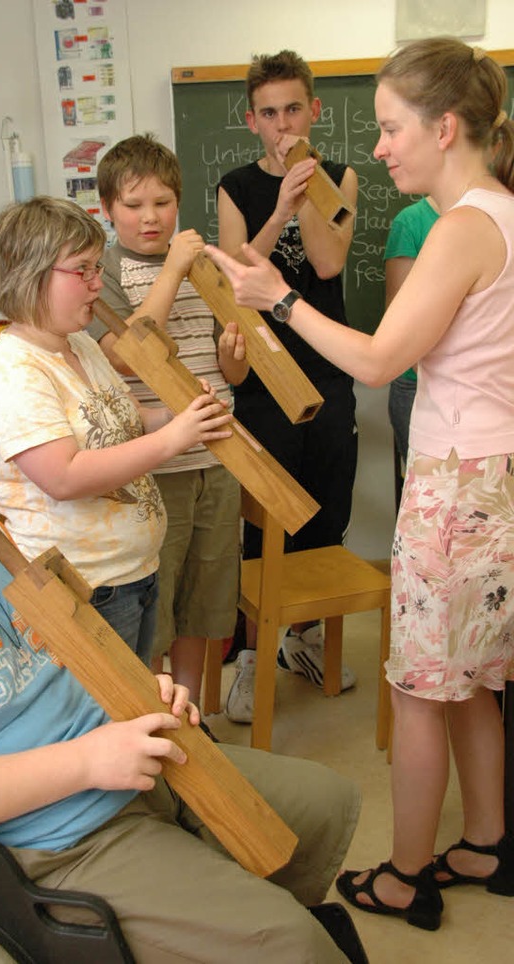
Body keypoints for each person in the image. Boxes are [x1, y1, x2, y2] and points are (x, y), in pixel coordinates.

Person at [0, 373, 362, 964]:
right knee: (290, 945)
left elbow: (65, 653)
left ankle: (226, 916)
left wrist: (137, 689)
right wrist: (89, 760)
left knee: (326, 803)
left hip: (125, 756)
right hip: (62, 834)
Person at [205, 37, 514, 931]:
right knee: (474, 680)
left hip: (458, 484)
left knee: (420, 688)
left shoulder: (464, 227)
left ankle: (408, 873)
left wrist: (281, 301)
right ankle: (489, 839)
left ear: (445, 126)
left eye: (390, 128)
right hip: (489, 477)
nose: (377, 149)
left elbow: (379, 360)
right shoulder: (503, 211)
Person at [0, 196, 232, 668]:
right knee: (106, 721)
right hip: (86, 588)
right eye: (82, 270)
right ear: (31, 274)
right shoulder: (14, 372)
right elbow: (64, 477)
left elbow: (127, 422)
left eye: (96, 267)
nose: (96, 282)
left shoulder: (79, 346)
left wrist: (179, 417)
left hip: (132, 574)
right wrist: (173, 440)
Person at [216, 49, 358, 720]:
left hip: (330, 372)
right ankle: (251, 654)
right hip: (265, 377)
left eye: (293, 109)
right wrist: (280, 206)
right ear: (252, 120)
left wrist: (306, 191)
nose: (282, 125)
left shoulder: (341, 177)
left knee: (326, 513)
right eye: (269, 113)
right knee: (265, 519)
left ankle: (302, 643)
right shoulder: (235, 186)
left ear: (314, 111)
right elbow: (238, 282)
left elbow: (327, 263)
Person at [88, 134, 249, 705]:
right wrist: (175, 269)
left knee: (203, 605)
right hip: (153, 465)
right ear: (107, 210)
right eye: (133, 206)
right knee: (154, 604)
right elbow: (128, 351)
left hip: (217, 458)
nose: (150, 218)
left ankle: (191, 711)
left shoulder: (203, 268)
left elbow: (233, 373)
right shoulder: (102, 272)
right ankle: (153, 709)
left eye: (162, 203)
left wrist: (234, 353)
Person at [385, 196, 439, 465]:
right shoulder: (412, 221)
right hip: (417, 384)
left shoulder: (492, 212)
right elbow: (398, 318)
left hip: (480, 386)